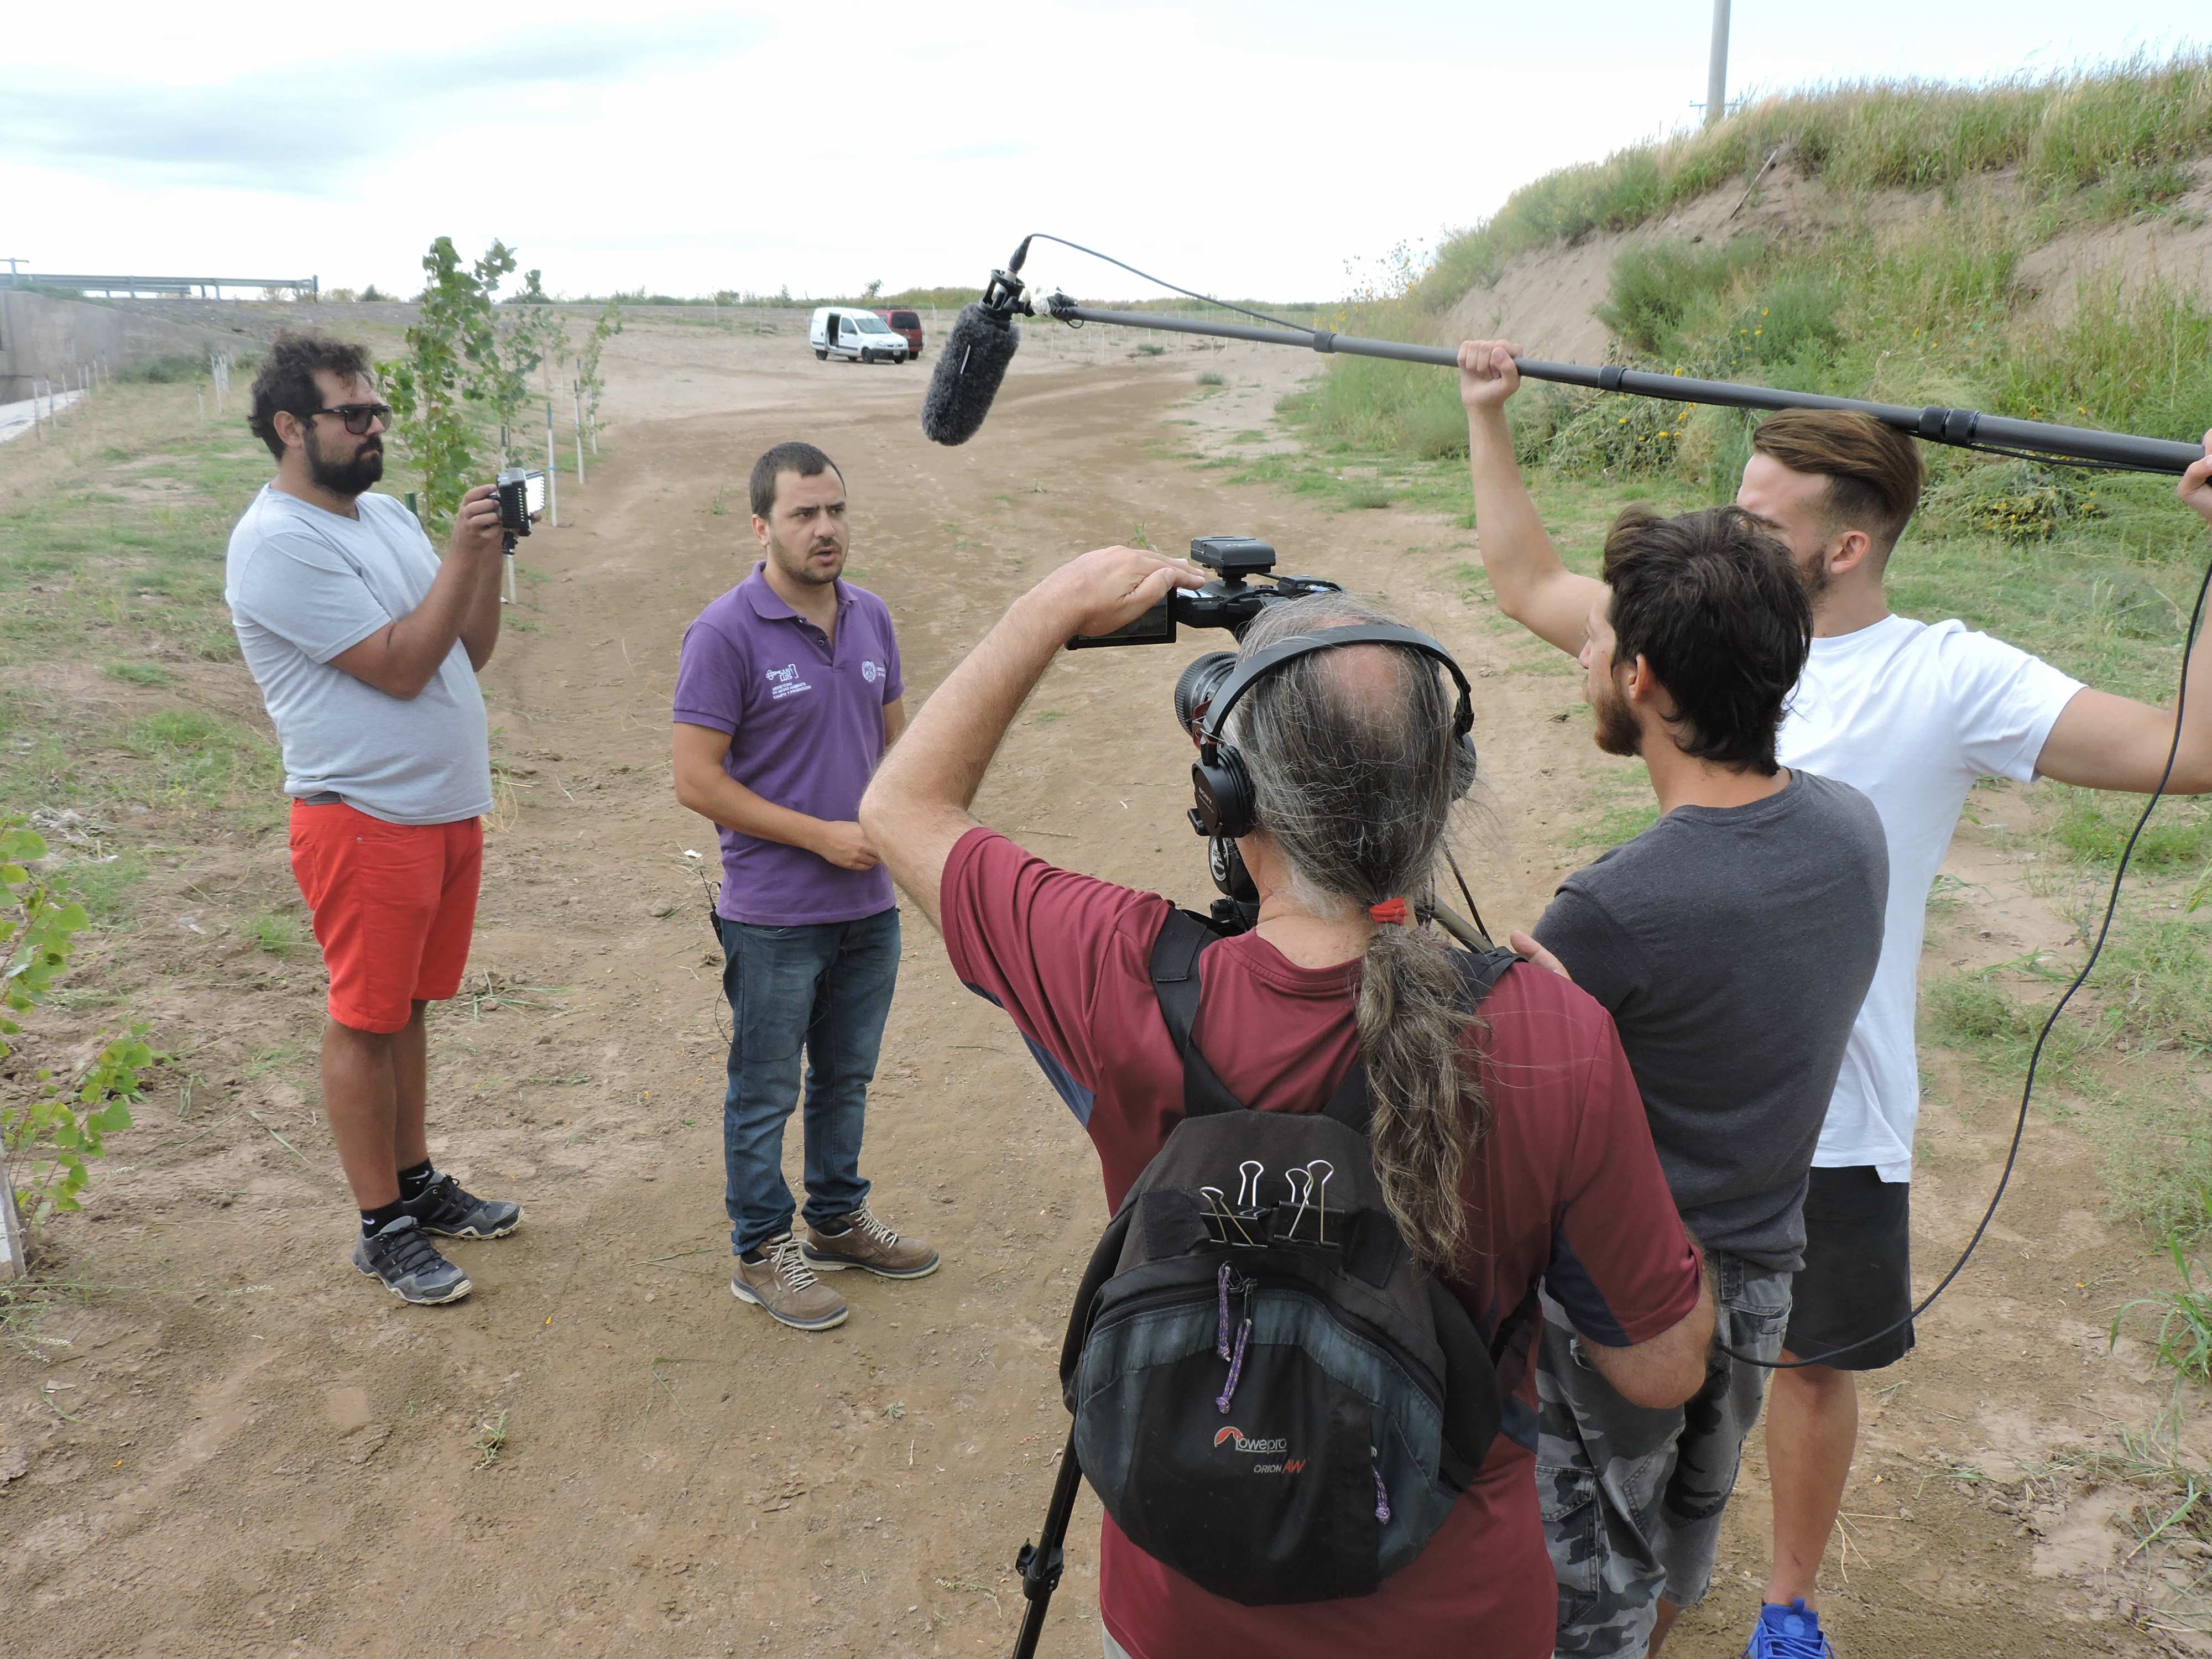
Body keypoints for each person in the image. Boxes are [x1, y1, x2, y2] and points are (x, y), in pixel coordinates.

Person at [1459, 336, 2212, 1657]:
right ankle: (1633, 1583)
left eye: (1759, 519)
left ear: (1845, 546)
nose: (1732, 530)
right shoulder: (1699, 626)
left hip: (1838, 1114)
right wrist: (1486, 414)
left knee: (1806, 1370)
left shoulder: (1948, 675)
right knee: (1637, 1363)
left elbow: (2186, 752)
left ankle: (1784, 1605)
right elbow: (1523, 578)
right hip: (1671, 1112)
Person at [858, 545, 1717, 1659]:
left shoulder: (1123, 981)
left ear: (1225, 801)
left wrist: (1051, 606)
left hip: (1177, 1614)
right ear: (1444, 790)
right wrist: (1587, 1077)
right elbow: (1658, 1366)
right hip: (1451, 1619)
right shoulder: (1550, 1038)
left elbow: (900, 805)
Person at [1519, 504, 1887, 1657]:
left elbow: (1519, 1113)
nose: (1583, 655)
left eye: (1597, 639)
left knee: (1585, 1582)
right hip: (1762, 1276)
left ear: (1638, 676)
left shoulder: (1610, 910)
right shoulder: (1851, 829)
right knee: (1682, 1534)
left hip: (1626, 1305)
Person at [225, 331, 521, 1307]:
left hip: (440, 812)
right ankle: (379, 1226)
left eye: (376, 410)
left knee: (410, 1008)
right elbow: (397, 666)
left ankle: (416, 1183)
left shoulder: (385, 515)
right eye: (351, 415)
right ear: (289, 428)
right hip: (361, 819)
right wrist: (458, 559)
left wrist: (484, 563)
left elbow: (460, 651)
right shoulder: (276, 543)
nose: (373, 427)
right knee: (364, 1017)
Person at [671, 441, 937, 1334]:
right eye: (803, 515)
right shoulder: (724, 633)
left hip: (868, 907)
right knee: (765, 1087)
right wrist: (819, 835)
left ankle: (833, 1221)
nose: (826, 530)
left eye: (835, 510)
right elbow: (696, 779)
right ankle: (760, 1249)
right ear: (762, 526)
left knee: (846, 1078)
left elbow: (899, 754)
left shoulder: (872, 619)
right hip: (776, 915)